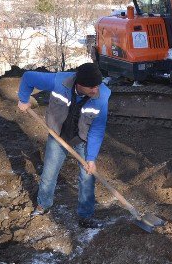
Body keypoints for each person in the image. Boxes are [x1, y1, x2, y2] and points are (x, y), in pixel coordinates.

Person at [17, 62, 110, 228]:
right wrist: (23, 100)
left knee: (87, 177)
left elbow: (97, 129)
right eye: (91, 87)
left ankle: (85, 216)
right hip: (57, 135)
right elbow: (28, 77)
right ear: (79, 84)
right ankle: (43, 205)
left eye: (97, 85)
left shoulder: (101, 96)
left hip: (83, 139)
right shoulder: (59, 81)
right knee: (49, 173)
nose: (95, 90)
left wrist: (91, 158)